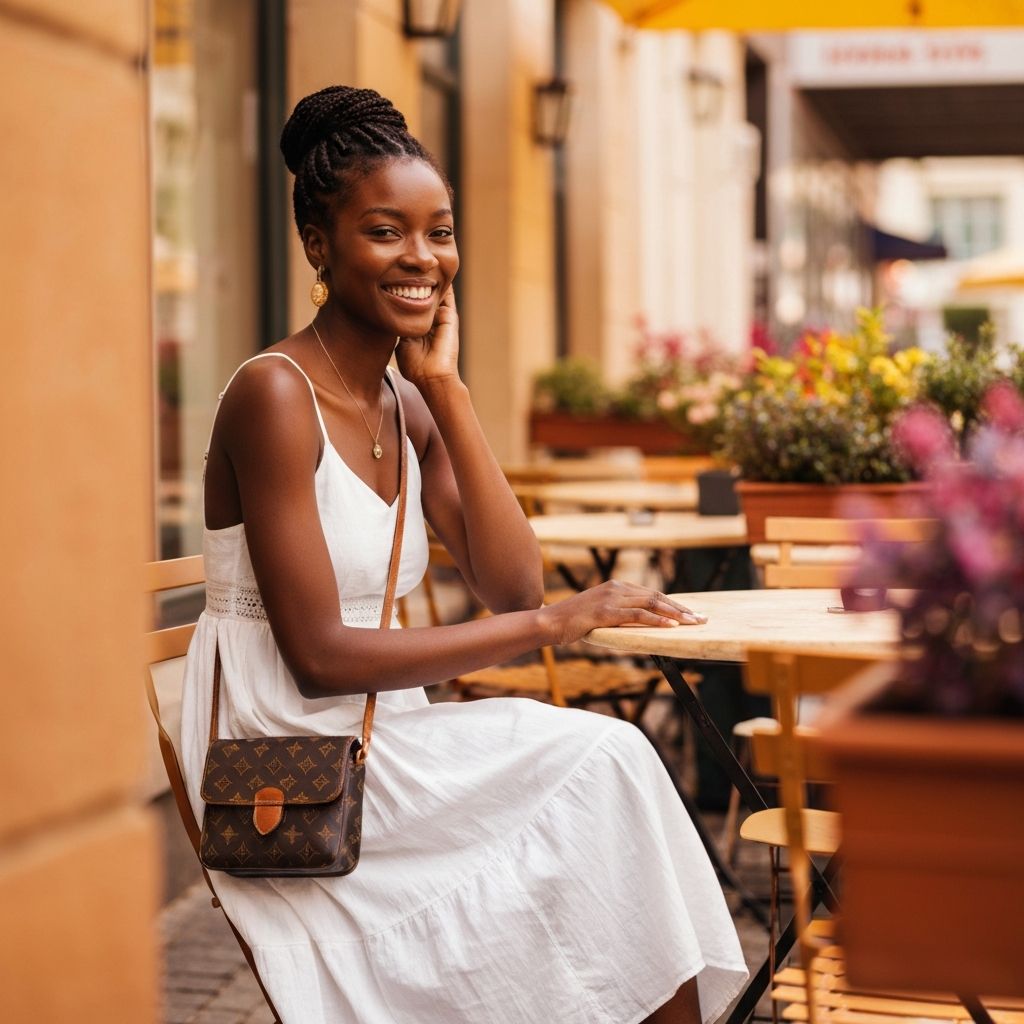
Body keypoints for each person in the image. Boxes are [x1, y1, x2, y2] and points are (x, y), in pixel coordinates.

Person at [180, 84, 747, 1024]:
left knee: (613, 765)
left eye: (439, 232)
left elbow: (509, 579)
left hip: (386, 726)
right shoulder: (273, 397)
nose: (424, 259)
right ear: (319, 246)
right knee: (600, 764)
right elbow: (319, 658)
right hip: (293, 751)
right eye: (385, 231)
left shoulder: (405, 403)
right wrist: (550, 623)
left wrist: (446, 391)